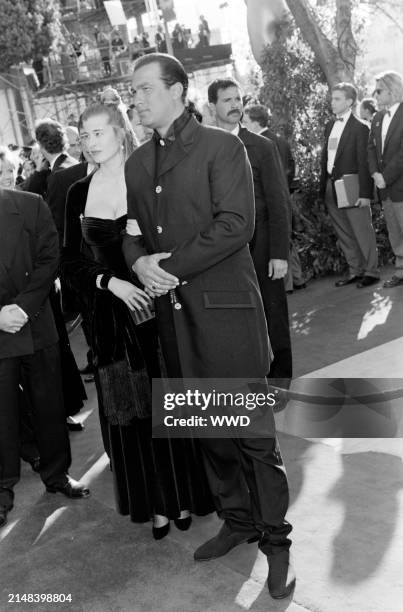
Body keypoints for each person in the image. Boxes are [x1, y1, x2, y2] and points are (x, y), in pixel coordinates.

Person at [123, 53, 295, 599]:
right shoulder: (135, 164)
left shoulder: (226, 148)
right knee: (208, 432)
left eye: (147, 88)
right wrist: (137, 261)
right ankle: (238, 520)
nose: (138, 99)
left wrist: (164, 268)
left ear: (178, 90)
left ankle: (277, 542)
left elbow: (236, 225)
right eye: (134, 91)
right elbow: (132, 231)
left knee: (253, 439)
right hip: (175, 324)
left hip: (228, 320)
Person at [60, 102, 213, 536]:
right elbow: (69, 262)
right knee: (133, 418)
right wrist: (112, 283)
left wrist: (153, 278)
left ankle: (186, 497)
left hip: (162, 307)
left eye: (97, 133)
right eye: (84, 135)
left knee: (171, 405)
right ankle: (158, 504)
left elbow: (184, 236)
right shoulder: (77, 192)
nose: (90, 143)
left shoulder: (150, 179)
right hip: (110, 319)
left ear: (120, 131)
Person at [0, 186, 90, 529]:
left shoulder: (29, 204)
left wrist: (22, 307)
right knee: (2, 415)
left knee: (49, 406)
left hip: (34, 322)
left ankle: (58, 475)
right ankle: (2, 491)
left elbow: (49, 257)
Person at [208, 81, 292, 382]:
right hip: (226, 255)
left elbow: (279, 203)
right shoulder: (207, 149)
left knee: (273, 315)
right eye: (227, 100)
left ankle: (281, 383)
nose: (235, 105)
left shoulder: (262, 146)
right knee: (238, 320)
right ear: (212, 107)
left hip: (263, 249)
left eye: (238, 99)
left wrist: (280, 254)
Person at [319, 82, 379, 288]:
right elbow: (326, 158)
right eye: (332, 98)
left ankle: (372, 271)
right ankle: (355, 270)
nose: (332, 102)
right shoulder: (329, 125)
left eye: (337, 99)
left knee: (362, 229)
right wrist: (323, 186)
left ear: (350, 101)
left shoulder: (361, 127)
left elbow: (364, 162)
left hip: (352, 185)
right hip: (330, 185)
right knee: (343, 232)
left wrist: (365, 193)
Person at [368, 71, 403, 288]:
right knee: (395, 232)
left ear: (393, 90)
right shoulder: (378, 117)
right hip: (385, 188)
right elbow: (370, 148)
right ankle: (401, 271)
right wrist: (375, 174)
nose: (375, 95)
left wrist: (385, 177)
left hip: (398, 184)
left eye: (379, 91)